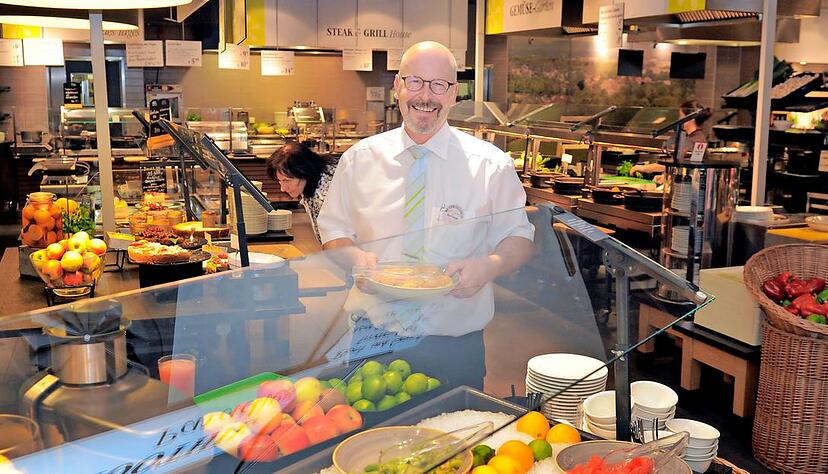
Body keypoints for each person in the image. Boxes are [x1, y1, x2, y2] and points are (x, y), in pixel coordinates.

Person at [317, 41, 535, 389]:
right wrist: (354, 258)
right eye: (415, 81)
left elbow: (519, 237)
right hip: (374, 335)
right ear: (397, 87)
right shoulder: (360, 159)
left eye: (439, 85)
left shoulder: (490, 165)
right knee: (368, 438)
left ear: (453, 95)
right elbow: (333, 232)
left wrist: (489, 266)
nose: (426, 96)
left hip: (453, 341)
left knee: (454, 437)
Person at [266, 142, 337, 243]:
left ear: (304, 172)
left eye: (287, 180)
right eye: (279, 181)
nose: (282, 188)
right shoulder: (313, 180)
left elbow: (336, 241)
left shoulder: (324, 196)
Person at [630, 100, 712, 182]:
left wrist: (644, 168)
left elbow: (683, 166)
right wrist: (666, 177)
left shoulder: (697, 140)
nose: (679, 119)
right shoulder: (691, 137)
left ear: (690, 118)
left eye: (681, 116)